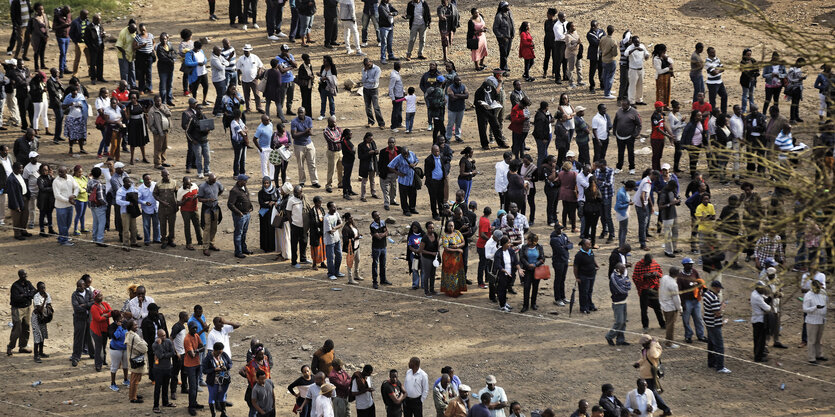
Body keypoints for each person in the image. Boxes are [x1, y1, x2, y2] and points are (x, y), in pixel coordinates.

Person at [634, 335, 671, 415]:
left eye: (644, 344)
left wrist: (653, 344)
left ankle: (666, 409)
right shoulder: (645, 348)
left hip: (650, 375)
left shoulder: (655, 348)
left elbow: (653, 355)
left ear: (648, 343)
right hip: (644, 373)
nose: (642, 345)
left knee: (652, 392)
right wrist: (638, 363)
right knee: (649, 392)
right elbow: (644, 358)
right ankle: (663, 409)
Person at [702, 280, 730, 373]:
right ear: (715, 287)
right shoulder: (713, 297)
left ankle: (711, 362)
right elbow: (717, 313)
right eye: (719, 288)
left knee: (711, 344)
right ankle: (720, 366)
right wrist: (722, 307)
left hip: (709, 323)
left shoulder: (706, 294)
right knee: (719, 345)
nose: (720, 290)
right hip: (714, 324)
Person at [677, 257, 706, 344]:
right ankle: (688, 336)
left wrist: (702, 289)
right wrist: (682, 304)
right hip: (687, 301)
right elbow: (680, 291)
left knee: (698, 318)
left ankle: (701, 335)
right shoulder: (680, 277)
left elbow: (699, 280)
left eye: (691, 264)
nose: (691, 265)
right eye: (689, 264)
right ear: (684, 265)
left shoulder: (694, 271)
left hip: (696, 299)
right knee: (686, 320)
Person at [8, 269, 36, 357]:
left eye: (26, 275)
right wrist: (28, 295)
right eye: (23, 275)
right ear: (20, 276)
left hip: (27, 308)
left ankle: (23, 346)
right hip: (17, 309)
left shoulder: (28, 283)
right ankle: (10, 347)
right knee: (17, 328)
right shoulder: (15, 286)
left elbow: (34, 292)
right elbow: (16, 298)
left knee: (26, 327)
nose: (25, 277)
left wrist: (24, 295)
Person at [291, 107, 320, 187]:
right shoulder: (294, 122)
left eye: (302, 112)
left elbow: (310, 132)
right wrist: (305, 132)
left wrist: (302, 133)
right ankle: (302, 181)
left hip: (309, 143)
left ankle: (314, 181)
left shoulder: (309, 119)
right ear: (297, 113)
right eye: (299, 112)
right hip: (298, 145)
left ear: (305, 112)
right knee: (300, 165)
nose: (300, 114)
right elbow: (294, 135)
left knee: (312, 163)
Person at [228, 174, 254, 258]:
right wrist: (239, 212)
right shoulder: (234, 191)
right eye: (245, 180)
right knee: (238, 233)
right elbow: (230, 204)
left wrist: (250, 206)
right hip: (240, 216)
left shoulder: (244, 188)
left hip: (247, 214)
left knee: (244, 232)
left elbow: (247, 198)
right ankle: (238, 251)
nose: (246, 182)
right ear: (240, 181)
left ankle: (243, 248)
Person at [198, 173, 225, 256]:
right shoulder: (203, 186)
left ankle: (211, 243)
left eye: (215, 180)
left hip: (215, 208)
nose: (214, 182)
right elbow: (199, 199)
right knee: (207, 228)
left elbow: (221, 189)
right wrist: (208, 200)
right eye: (212, 181)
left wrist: (216, 197)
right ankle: (205, 247)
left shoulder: (217, 183)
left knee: (214, 227)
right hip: (207, 209)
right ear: (209, 179)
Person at [204, 342, 233, 417]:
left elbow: (230, 363)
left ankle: (223, 413)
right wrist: (214, 369)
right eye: (218, 353)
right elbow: (204, 370)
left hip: (224, 380)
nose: (219, 354)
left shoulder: (223, 354)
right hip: (213, 381)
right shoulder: (208, 358)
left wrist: (226, 367)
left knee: (222, 396)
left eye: (221, 352)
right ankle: (213, 415)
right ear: (214, 350)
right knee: (212, 397)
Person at [613, 98, 640, 174]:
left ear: (628, 105)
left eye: (624, 106)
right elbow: (615, 122)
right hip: (619, 136)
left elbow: (639, 124)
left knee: (630, 152)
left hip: (629, 137)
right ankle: (619, 167)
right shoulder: (619, 111)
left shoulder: (634, 112)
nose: (623, 107)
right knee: (620, 152)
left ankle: (632, 168)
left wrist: (635, 134)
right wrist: (614, 131)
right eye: (622, 105)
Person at [605, 262, 630, 345]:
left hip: (623, 300)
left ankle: (620, 340)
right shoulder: (614, 277)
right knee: (619, 322)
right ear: (618, 269)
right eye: (623, 268)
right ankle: (609, 336)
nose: (625, 270)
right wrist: (625, 286)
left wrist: (625, 286)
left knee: (623, 322)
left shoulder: (621, 275)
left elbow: (628, 284)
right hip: (617, 302)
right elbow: (622, 290)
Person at [439, 220, 466, 297]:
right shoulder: (445, 236)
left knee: (458, 273)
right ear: (446, 226)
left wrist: (457, 246)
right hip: (449, 258)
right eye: (449, 226)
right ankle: (451, 291)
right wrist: (457, 249)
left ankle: (457, 290)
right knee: (451, 274)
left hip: (457, 258)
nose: (451, 227)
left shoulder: (457, 232)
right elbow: (446, 248)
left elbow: (463, 242)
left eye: (452, 226)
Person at [803, 279, 828, 364]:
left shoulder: (823, 292)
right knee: (812, 340)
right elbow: (805, 309)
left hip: (821, 319)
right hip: (812, 321)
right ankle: (811, 358)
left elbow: (826, 302)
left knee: (819, 339)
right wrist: (815, 307)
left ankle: (819, 354)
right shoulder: (808, 295)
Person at [519, 232, 544, 312]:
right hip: (527, 270)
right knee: (526, 287)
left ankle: (533, 303)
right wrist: (528, 265)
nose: (527, 242)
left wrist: (536, 264)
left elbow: (542, 258)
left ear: (534, 241)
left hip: (536, 270)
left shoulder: (539, 247)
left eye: (529, 240)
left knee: (535, 287)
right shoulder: (524, 247)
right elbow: (522, 258)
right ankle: (525, 305)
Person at [750, 281, 772, 362]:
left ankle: (758, 353)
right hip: (759, 321)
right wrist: (770, 300)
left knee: (757, 339)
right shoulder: (757, 297)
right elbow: (767, 308)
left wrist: (769, 298)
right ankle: (758, 357)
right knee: (760, 339)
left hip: (756, 319)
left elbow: (764, 297)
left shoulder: (755, 293)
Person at [624, 36, 648, 105]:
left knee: (640, 85)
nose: (638, 43)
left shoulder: (642, 46)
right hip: (633, 70)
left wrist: (646, 56)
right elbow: (626, 54)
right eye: (636, 42)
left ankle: (639, 100)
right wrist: (635, 49)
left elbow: (646, 53)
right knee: (632, 86)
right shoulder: (630, 47)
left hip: (641, 69)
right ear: (633, 42)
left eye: (638, 42)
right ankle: (631, 101)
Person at [762, 51, 786, 115]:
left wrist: (780, 75)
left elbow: (785, 74)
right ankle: (764, 113)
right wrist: (771, 75)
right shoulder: (767, 65)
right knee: (767, 100)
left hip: (778, 85)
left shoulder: (781, 66)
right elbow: (763, 75)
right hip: (769, 85)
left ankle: (776, 114)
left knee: (776, 100)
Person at [492, 2, 514, 72]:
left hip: (510, 37)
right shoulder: (499, 16)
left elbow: (512, 24)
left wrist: (513, 33)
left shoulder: (509, 13)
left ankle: (504, 66)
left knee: (507, 52)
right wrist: (502, 36)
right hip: (503, 39)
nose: (508, 7)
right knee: (503, 53)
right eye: (506, 6)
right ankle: (503, 69)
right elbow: (495, 28)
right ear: (502, 7)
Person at [705, 46, 727, 114]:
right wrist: (718, 70)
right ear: (708, 53)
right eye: (712, 52)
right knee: (712, 100)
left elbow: (723, 68)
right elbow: (713, 73)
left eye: (714, 52)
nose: (714, 53)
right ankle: (713, 114)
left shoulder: (717, 59)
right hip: (712, 83)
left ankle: (724, 113)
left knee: (724, 96)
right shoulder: (707, 62)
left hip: (719, 81)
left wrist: (717, 70)